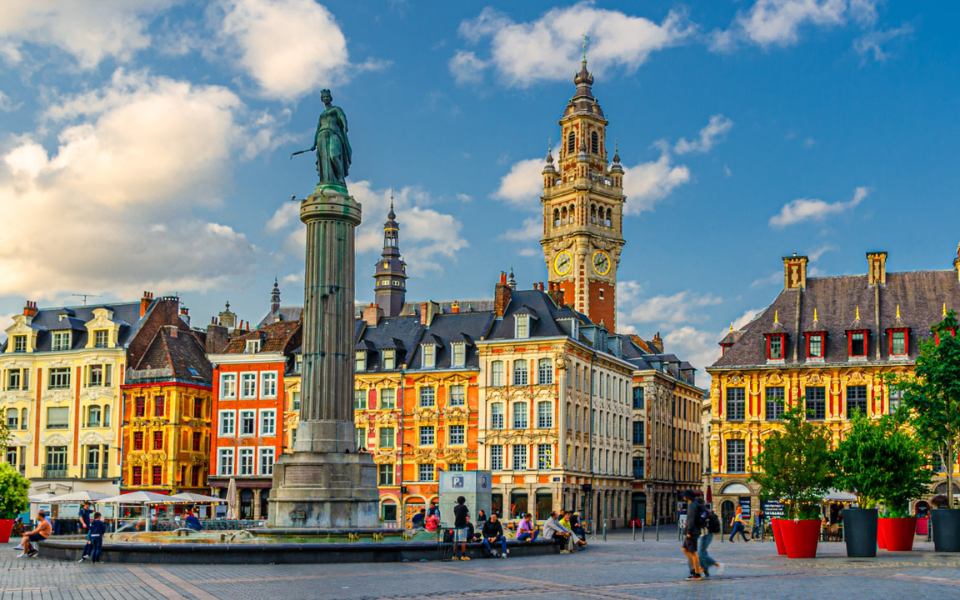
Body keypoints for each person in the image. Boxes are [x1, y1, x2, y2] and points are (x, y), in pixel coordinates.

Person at [680, 490, 704, 581]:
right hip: (694, 531)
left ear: (688, 497)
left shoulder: (692, 505)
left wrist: (688, 532)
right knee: (684, 549)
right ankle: (696, 567)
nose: (683, 497)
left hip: (692, 532)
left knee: (693, 552)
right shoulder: (694, 504)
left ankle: (697, 571)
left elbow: (691, 519)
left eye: (684, 496)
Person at [697, 504, 725, 578]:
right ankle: (704, 569)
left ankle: (717, 564)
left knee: (700, 552)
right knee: (701, 552)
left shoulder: (703, 513)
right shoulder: (706, 512)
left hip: (703, 534)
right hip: (705, 534)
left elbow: (701, 524)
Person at [451, 496, 471, 561]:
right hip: (463, 525)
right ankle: (463, 555)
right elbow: (468, 514)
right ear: (464, 501)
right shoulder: (464, 507)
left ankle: (453, 556)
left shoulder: (455, 508)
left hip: (456, 525)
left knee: (455, 541)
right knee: (463, 541)